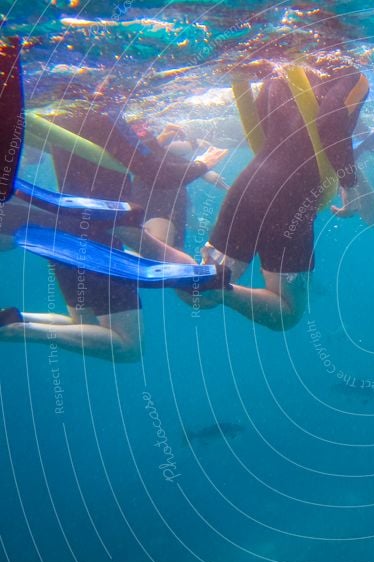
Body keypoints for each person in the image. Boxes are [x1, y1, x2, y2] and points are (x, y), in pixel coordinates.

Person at [0, 45, 227, 361]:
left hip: (63, 231)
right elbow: (155, 174)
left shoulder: (64, 114)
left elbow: (114, 158)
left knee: (83, 324)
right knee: (127, 345)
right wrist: (202, 163)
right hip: (98, 239)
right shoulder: (109, 115)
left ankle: (14, 320)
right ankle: (13, 329)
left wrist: (158, 142)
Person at [193, 55, 374, 330]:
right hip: (294, 197)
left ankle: (160, 255)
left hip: (250, 185)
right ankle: (215, 288)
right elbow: (330, 123)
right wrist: (350, 185)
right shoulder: (351, 74)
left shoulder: (278, 72)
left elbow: (263, 124)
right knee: (287, 312)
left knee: (198, 294)